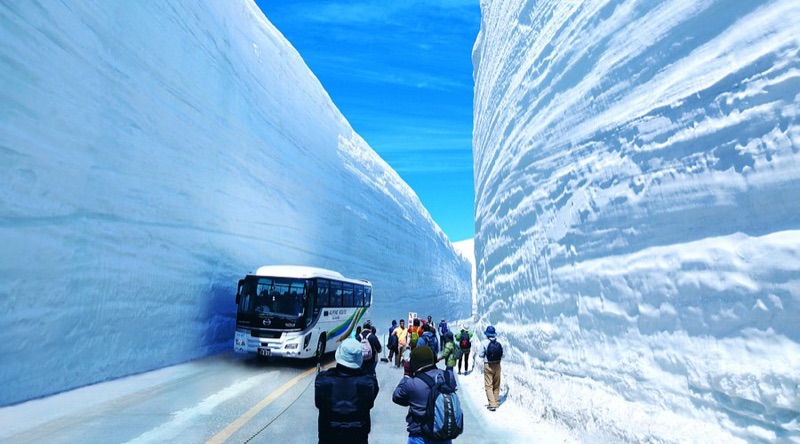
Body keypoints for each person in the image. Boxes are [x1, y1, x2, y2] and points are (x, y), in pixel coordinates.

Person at [315, 338, 379, 443]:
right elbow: (369, 401)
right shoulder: (370, 382)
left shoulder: (322, 380)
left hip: (328, 437)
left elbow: (319, 403)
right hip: (358, 437)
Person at [392, 346, 457, 444]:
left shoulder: (413, 383)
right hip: (444, 435)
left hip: (420, 436)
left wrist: (406, 374)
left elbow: (397, 397)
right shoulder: (448, 377)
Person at [479, 325, 503, 411]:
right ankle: (495, 401)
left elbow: (480, 354)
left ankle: (492, 404)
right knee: (496, 384)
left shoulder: (484, 342)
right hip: (497, 365)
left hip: (488, 365)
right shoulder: (498, 343)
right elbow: (503, 355)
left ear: (487, 334)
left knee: (489, 385)